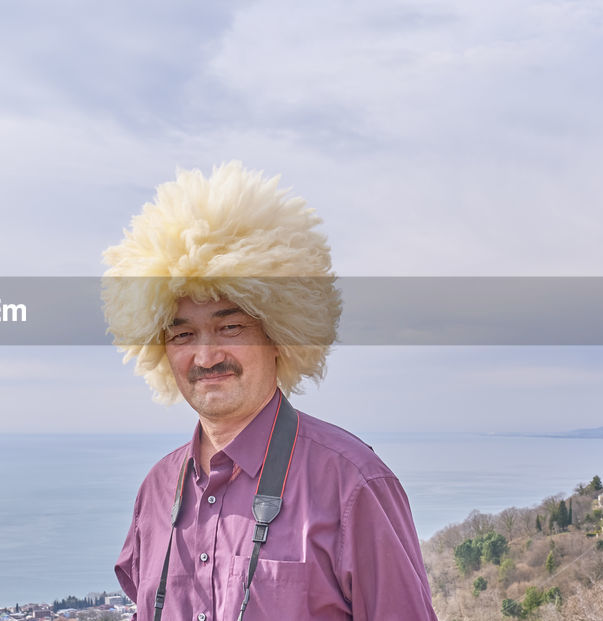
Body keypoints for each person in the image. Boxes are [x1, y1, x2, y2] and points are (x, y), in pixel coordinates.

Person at [102, 162, 437, 620]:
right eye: (182, 336)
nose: (205, 357)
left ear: (281, 333)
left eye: (231, 327)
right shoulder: (156, 491)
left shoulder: (352, 484)